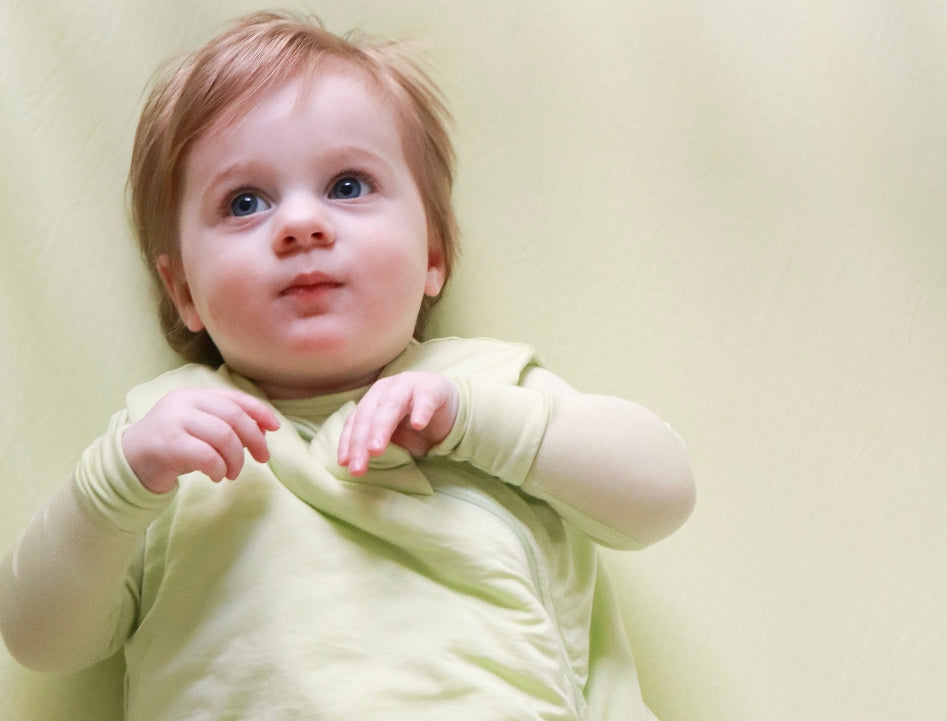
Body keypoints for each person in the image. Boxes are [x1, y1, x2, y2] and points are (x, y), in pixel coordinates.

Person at [0, 11, 695, 721]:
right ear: (184, 291)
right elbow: (40, 640)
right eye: (245, 202)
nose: (302, 224)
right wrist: (116, 484)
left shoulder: (487, 385)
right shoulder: (165, 437)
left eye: (348, 186)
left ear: (432, 256)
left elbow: (660, 494)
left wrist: (472, 421)